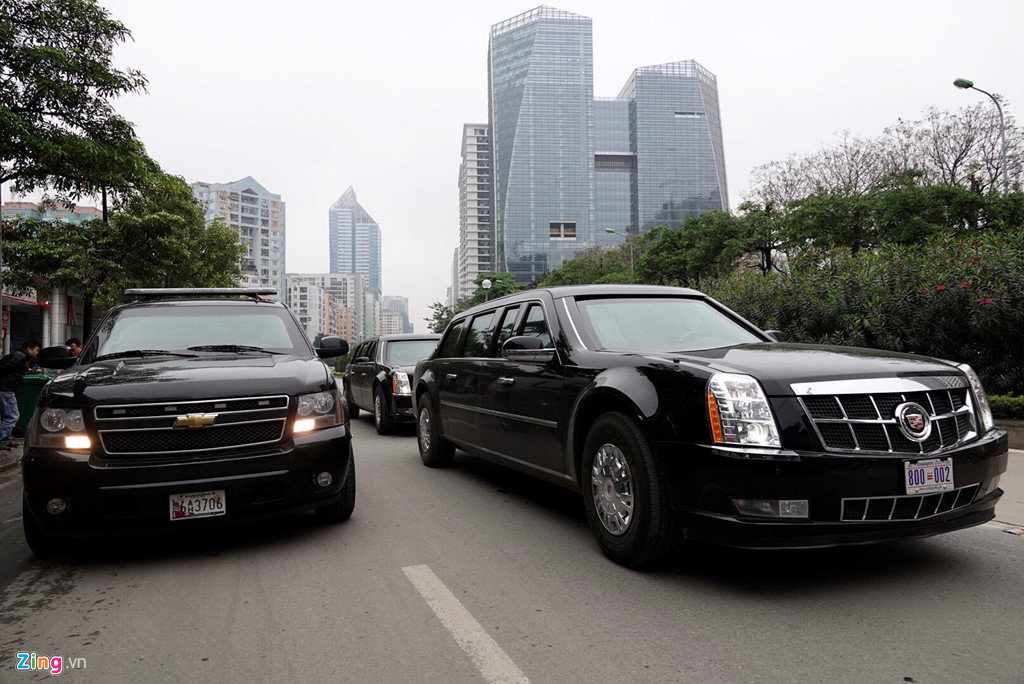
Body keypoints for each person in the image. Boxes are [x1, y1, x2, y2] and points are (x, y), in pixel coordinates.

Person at [0, 340, 41, 450]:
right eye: (36, 350)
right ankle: (1, 440)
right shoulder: (20, 357)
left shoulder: (22, 357)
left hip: (7, 389)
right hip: (6, 389)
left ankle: (5, 440)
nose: (37, 352)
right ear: (29, 349)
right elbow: (3, 368)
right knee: (12, 416)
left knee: (7, 416)